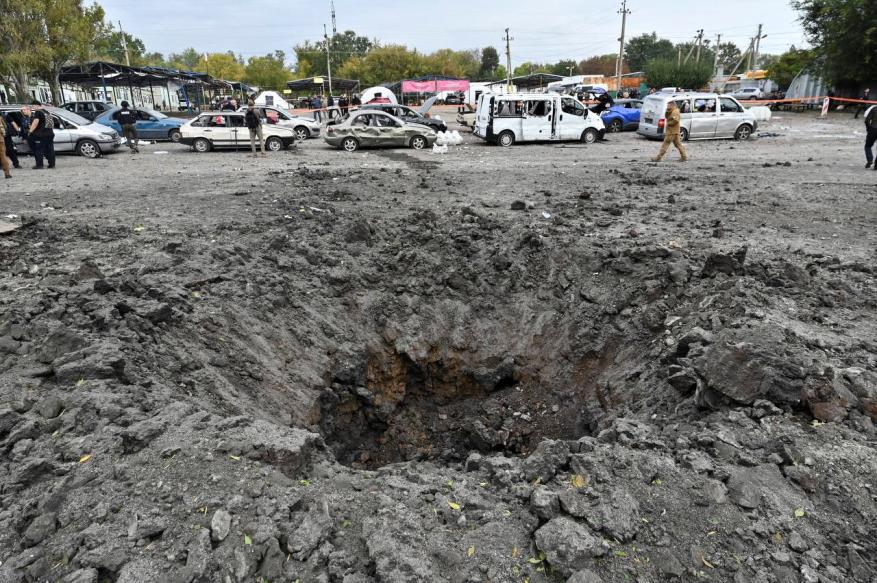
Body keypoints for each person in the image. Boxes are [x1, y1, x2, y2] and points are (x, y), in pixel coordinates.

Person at [28, 101, 55, 169]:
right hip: (50, 134)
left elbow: (35, 122)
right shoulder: (47, 112)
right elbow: (51, 124)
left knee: (39, 150)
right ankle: (51, 164)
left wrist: (30, 131)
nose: (33, 108)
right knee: (50, 149)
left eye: (33, 106)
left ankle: (39, 165)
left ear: (36, 105)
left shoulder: (38, 112)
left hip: (41, 135)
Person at [864, 102, 877, 169]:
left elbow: (866, 120)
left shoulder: (874, 109)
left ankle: (870, 160)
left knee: (868, 146)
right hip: (873, 129)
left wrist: (869, 128)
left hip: (873, 129)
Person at [0, 113, 12, 179]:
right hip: (0, 139)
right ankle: (7, 173)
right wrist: (3, 134)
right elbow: (4, 127)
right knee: (3, 156)